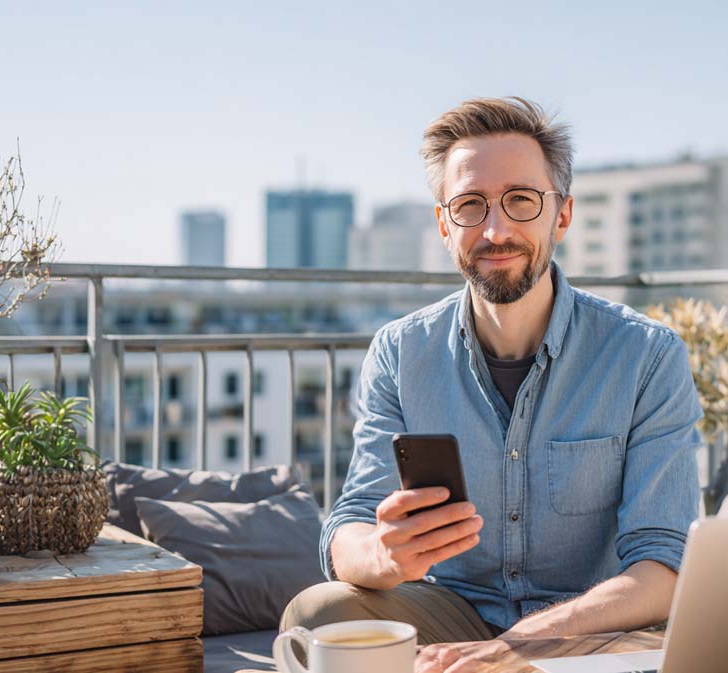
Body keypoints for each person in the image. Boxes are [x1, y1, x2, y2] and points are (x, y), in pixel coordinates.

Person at [281, 97, 704, 671]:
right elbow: (349, 524)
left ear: (562, 215)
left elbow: (664, 567)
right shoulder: (401, 353)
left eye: (521, 200)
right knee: (317, 613)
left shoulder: (647, 355)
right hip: (453, 616)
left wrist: (518, 645)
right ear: (444, 225)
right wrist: (383, 555)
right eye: (470, 205)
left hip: (590, 629)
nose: (496, 229)